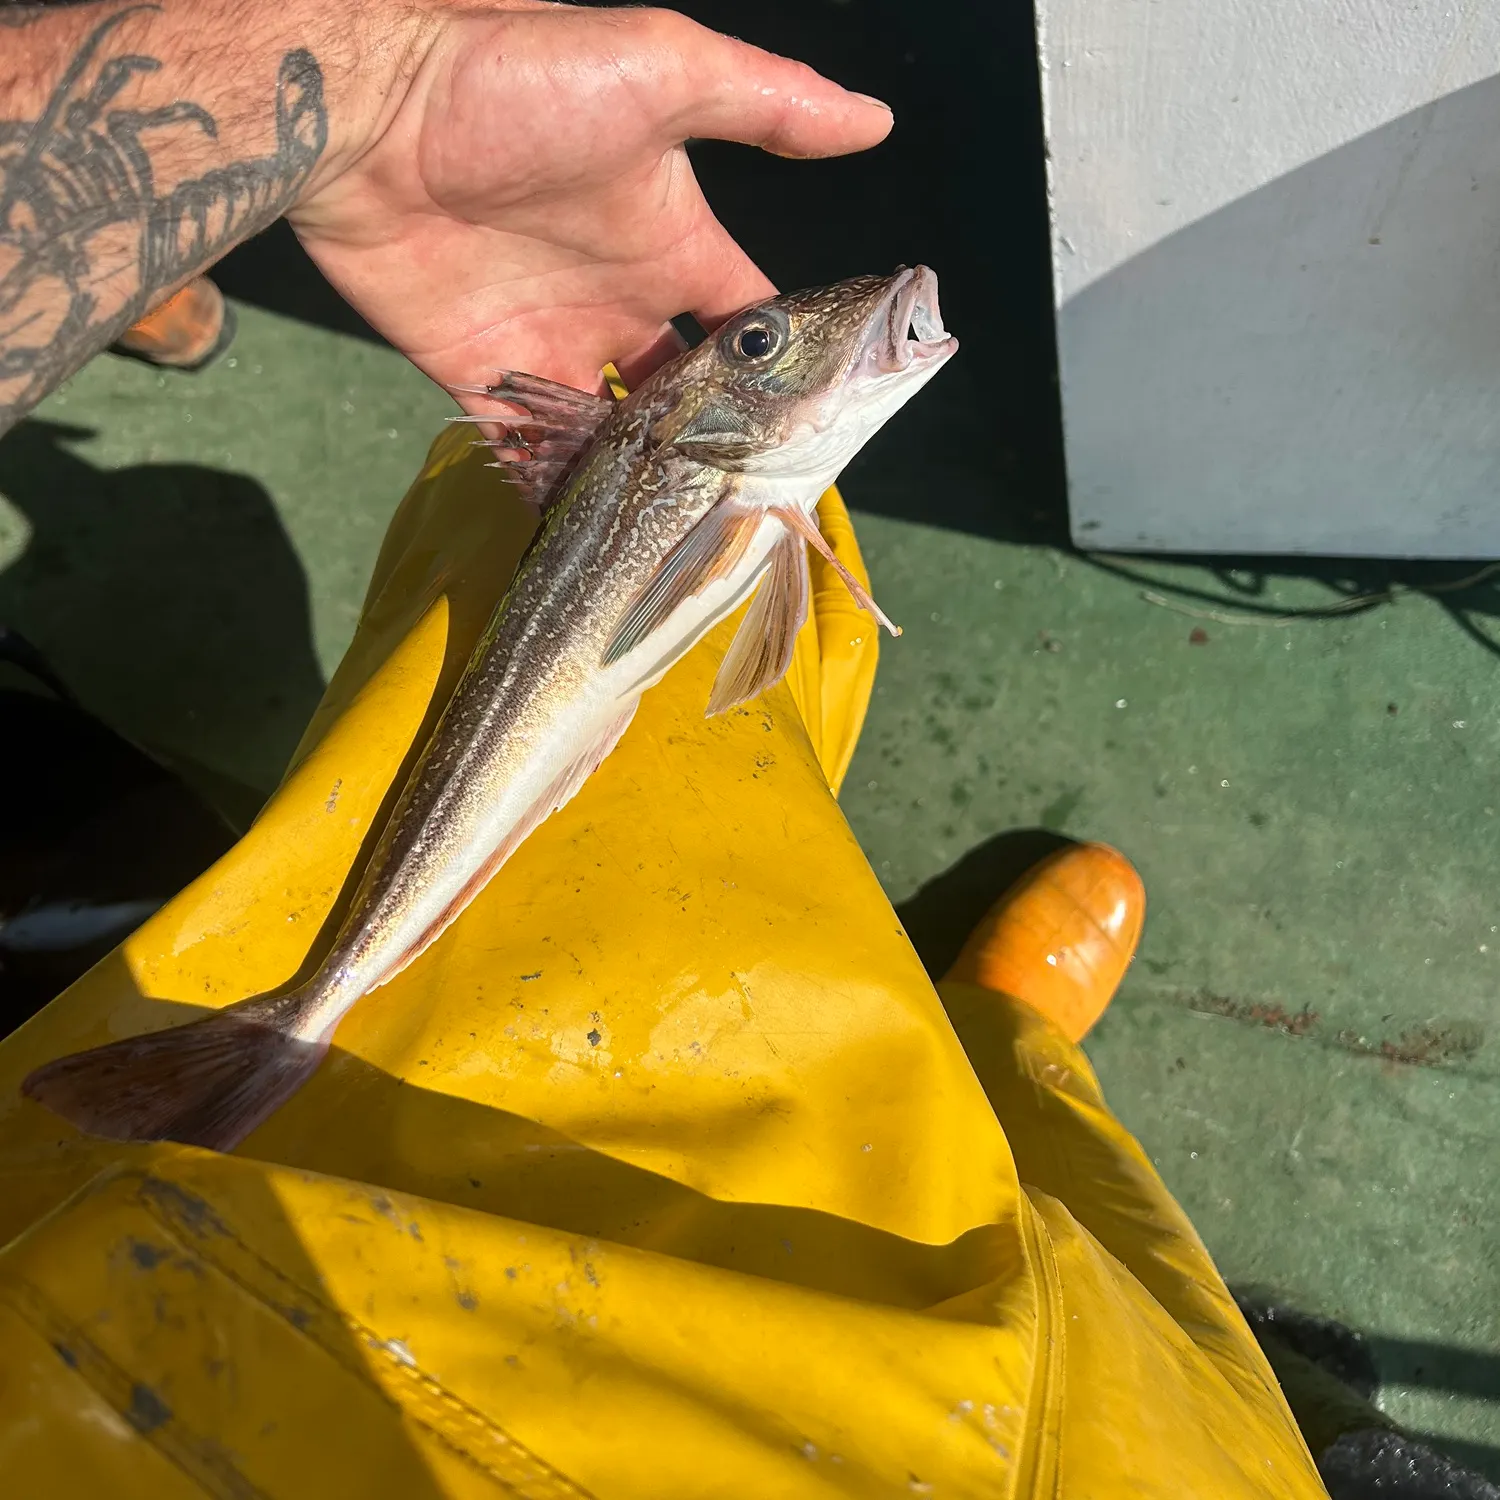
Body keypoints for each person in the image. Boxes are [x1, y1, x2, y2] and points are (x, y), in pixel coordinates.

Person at [0, 4, 1350, 1495]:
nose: (794, 329)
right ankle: (1003, 1055)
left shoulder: (713, 466)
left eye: (762, 343)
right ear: (705, 419)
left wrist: (380, 93)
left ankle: (994, 1050)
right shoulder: (699, 465)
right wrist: (372, 85)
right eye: (765, 346)